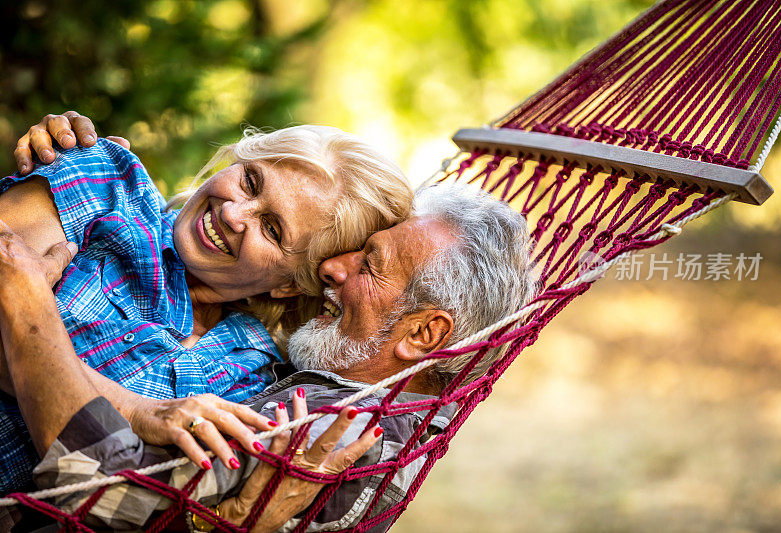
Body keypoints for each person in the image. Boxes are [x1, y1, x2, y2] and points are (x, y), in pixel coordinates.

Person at [0, 183, 537, 531]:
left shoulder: (345, 433)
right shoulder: (352, 391)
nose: (333, 266)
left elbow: (100, 487)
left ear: (422, 335)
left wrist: (25, 298)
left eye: (371, 264)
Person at [0, 112, 413, 493]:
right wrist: (139, 410)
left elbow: (135, 494)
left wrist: (25, 296)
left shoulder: (250, 372)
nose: (234, 213)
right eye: (251, 182)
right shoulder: (105, 181)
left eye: (271, 229)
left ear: (290, 286)